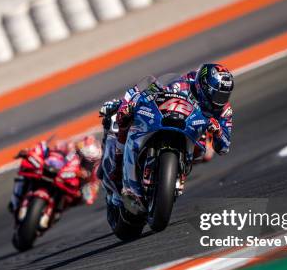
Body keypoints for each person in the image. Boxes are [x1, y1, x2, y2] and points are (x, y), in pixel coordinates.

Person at [99, 63, 234, 204]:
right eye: (217, 94)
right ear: (203, 86)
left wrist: (218, 130)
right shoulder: (182, 84)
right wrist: (127, 104)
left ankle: (175, 175)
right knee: (125, 118)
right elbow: (150, 90)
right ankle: (117, 168)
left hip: (194, 136)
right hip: (164, 120)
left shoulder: (224, 110)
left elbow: (224, 147)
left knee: (205, 153)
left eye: (224, 96)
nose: (220, 100)